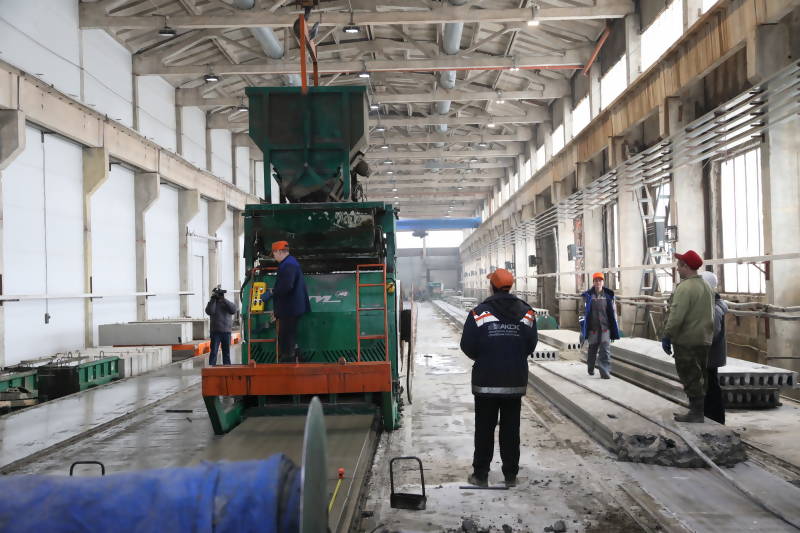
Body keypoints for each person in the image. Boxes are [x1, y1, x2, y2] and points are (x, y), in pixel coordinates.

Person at [460, 268, 538, 488]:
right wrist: (514, 356)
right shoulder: (527, 313)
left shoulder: (479, 313)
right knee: (511, 430)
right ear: (510, 286)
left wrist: (485, 357)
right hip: (514, 381)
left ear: (492, 287)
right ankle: (510, 476)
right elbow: (531, 344)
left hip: (486, 381)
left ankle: (480, 475)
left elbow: (467, 345)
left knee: (484, 429)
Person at [661, 250, 715, 423]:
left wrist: (667, 335)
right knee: (701, 375)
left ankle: (696, 413)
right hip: (704, 339)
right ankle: (699, 410)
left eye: (679, 265)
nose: (677, 269)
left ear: (686, 266)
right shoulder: (706, 286)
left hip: (687, 340)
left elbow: (676, 316)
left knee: (689, 375)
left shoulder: (684, 288)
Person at [262, 240, 311, 363]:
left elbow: (287, 286)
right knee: (290, 335)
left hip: (290, 308)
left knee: (286, 336)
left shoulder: (288, 265)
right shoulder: (289, 262)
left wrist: (272, 292)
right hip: (291, 307)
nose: (274, 257)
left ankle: (289, 361)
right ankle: (296, 356)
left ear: (279, 251)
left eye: (274, 253)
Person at [580, 272, 620, 379]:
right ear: (593, 282)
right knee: (592, 349)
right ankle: (591, 367)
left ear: (603, 282)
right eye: (596, 280)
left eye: (600, 280)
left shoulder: (608, 296)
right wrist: (583, 327)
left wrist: (614, 327)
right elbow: (581, 312)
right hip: (593, 328)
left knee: (605, 350)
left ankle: (605, 372)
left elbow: (613, 312)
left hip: (605, 328)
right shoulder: (588, 296)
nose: (598, 282)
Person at [700, 271, 728, 424]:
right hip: (709, 354)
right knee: (708, 385)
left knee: (711, 387)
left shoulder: (715, 309)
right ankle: (708, 415)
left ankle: (715, 418)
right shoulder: (710, 305)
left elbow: (712, 333)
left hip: (710, 354)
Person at [206, 285, 237, 366]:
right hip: (215, 332)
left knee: (226, 352)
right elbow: (210, 311)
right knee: (214, 352)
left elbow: (233, 310)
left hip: (226, 332)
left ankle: (227, 368)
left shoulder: (226, 303)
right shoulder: (212, 303)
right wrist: (213, 299)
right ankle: (211, 368)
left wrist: (223, 299)